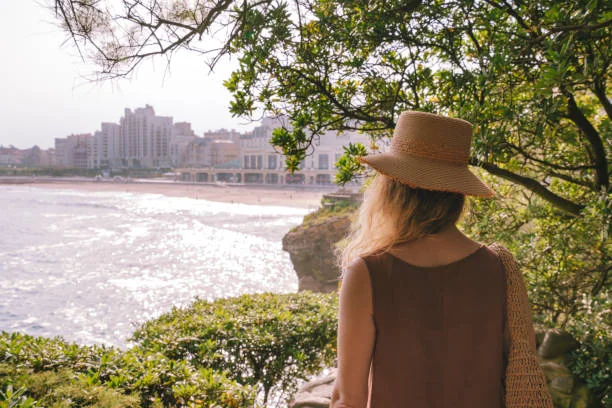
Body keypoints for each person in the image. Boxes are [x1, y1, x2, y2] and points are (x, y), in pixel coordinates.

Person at [330, 111, 553, 408]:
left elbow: (349, 399)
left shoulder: (368, 272)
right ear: (458, 194)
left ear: (393, 191)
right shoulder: (499, 267)